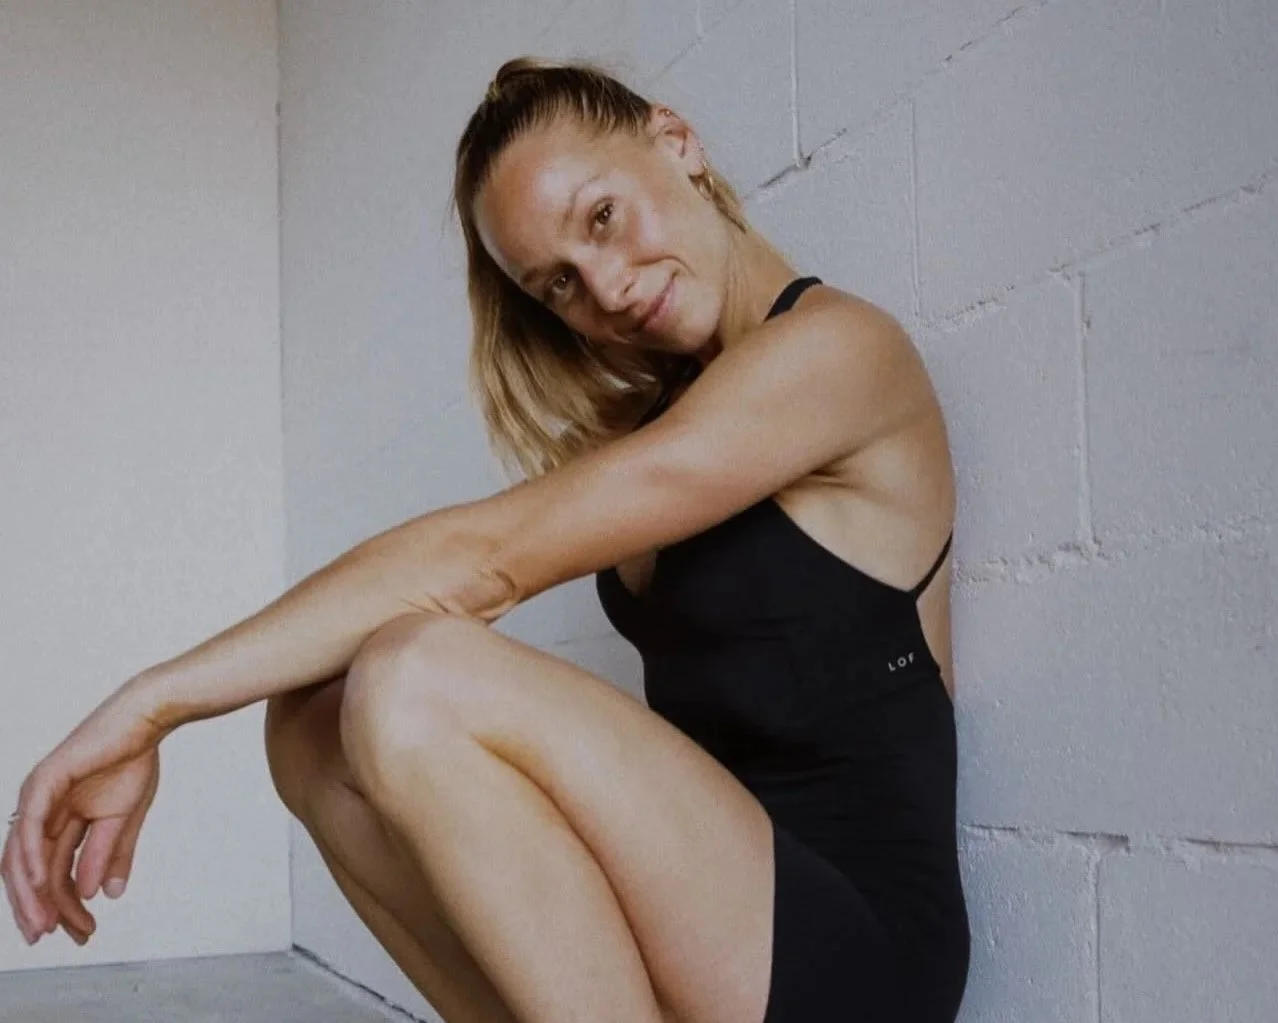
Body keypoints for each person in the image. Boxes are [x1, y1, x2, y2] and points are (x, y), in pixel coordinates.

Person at [2, 57, 969, 1023]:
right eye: (561, 285)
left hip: (858, 959)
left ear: (677, 146)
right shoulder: (654, 429)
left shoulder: (838, 352)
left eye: (602, 217)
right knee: (304, 720)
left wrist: (151, 704)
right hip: (709, 926)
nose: (610, 288)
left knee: (413, 673)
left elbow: (484, 563)